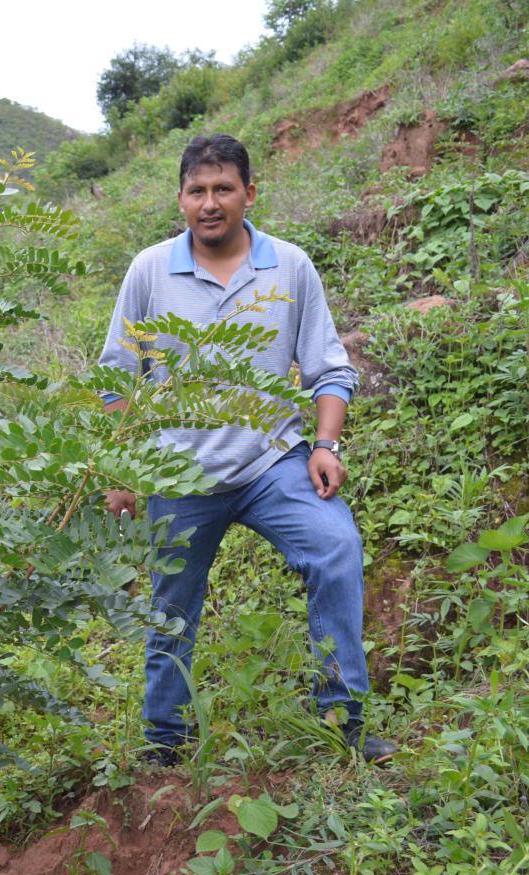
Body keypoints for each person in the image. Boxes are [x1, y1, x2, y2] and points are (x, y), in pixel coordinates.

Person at [98, 134, 397, 766]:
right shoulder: (150, 270)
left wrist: (325, 444)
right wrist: (123, 469)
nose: (210, 203)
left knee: (336, 547)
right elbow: (116, 376)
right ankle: (164, 739)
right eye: (197, 191)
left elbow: (330, 369)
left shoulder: (288, 267)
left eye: (223, 189)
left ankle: (343, 721)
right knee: (170, 603)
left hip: (273, 462)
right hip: (179, 472)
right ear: (180, 199)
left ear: (249, 194)